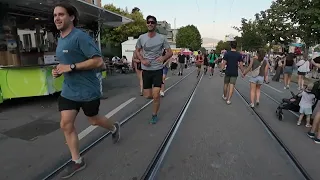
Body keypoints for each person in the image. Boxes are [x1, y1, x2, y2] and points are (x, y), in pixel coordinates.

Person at [52, 3, 120, 178]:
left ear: (71, 17)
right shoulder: (60, 38)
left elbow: (98, 62)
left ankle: (113, 127)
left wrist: (71, 67)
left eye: (61, 14)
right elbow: (64, 63)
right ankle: (77, 161)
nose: (57, 18)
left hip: (88, 90)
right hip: (69, 90)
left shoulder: (80, 37)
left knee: (94, 121)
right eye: (55, 16)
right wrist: (59, 70)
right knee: (66, 124)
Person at [135, 15, 173, 124]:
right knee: (147, 95)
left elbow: (170, 52)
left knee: (156, 95)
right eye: (148, 22)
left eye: (152, 22)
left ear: (155, 25)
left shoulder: (162, 38)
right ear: (146, 24)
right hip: (146, 70)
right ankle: (156, 100)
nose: (150, 24)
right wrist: (142, 60)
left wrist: (163, 57)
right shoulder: (142, 38)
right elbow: (137, 50)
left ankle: (154, 115)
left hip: (157, 69)